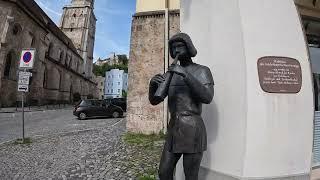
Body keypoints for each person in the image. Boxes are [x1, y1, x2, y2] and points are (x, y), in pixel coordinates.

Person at [149, 33, 214, 180]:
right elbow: (155, 100)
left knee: (190, 175)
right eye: (173, 47)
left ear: (188, 47)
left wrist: (185, 75)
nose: (176, 50)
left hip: (192, 128)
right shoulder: (171, 74)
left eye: (180, 46)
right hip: (174, 128)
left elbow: (207, 97)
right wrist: (152, 86)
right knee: (164, 173)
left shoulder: (202, 71)